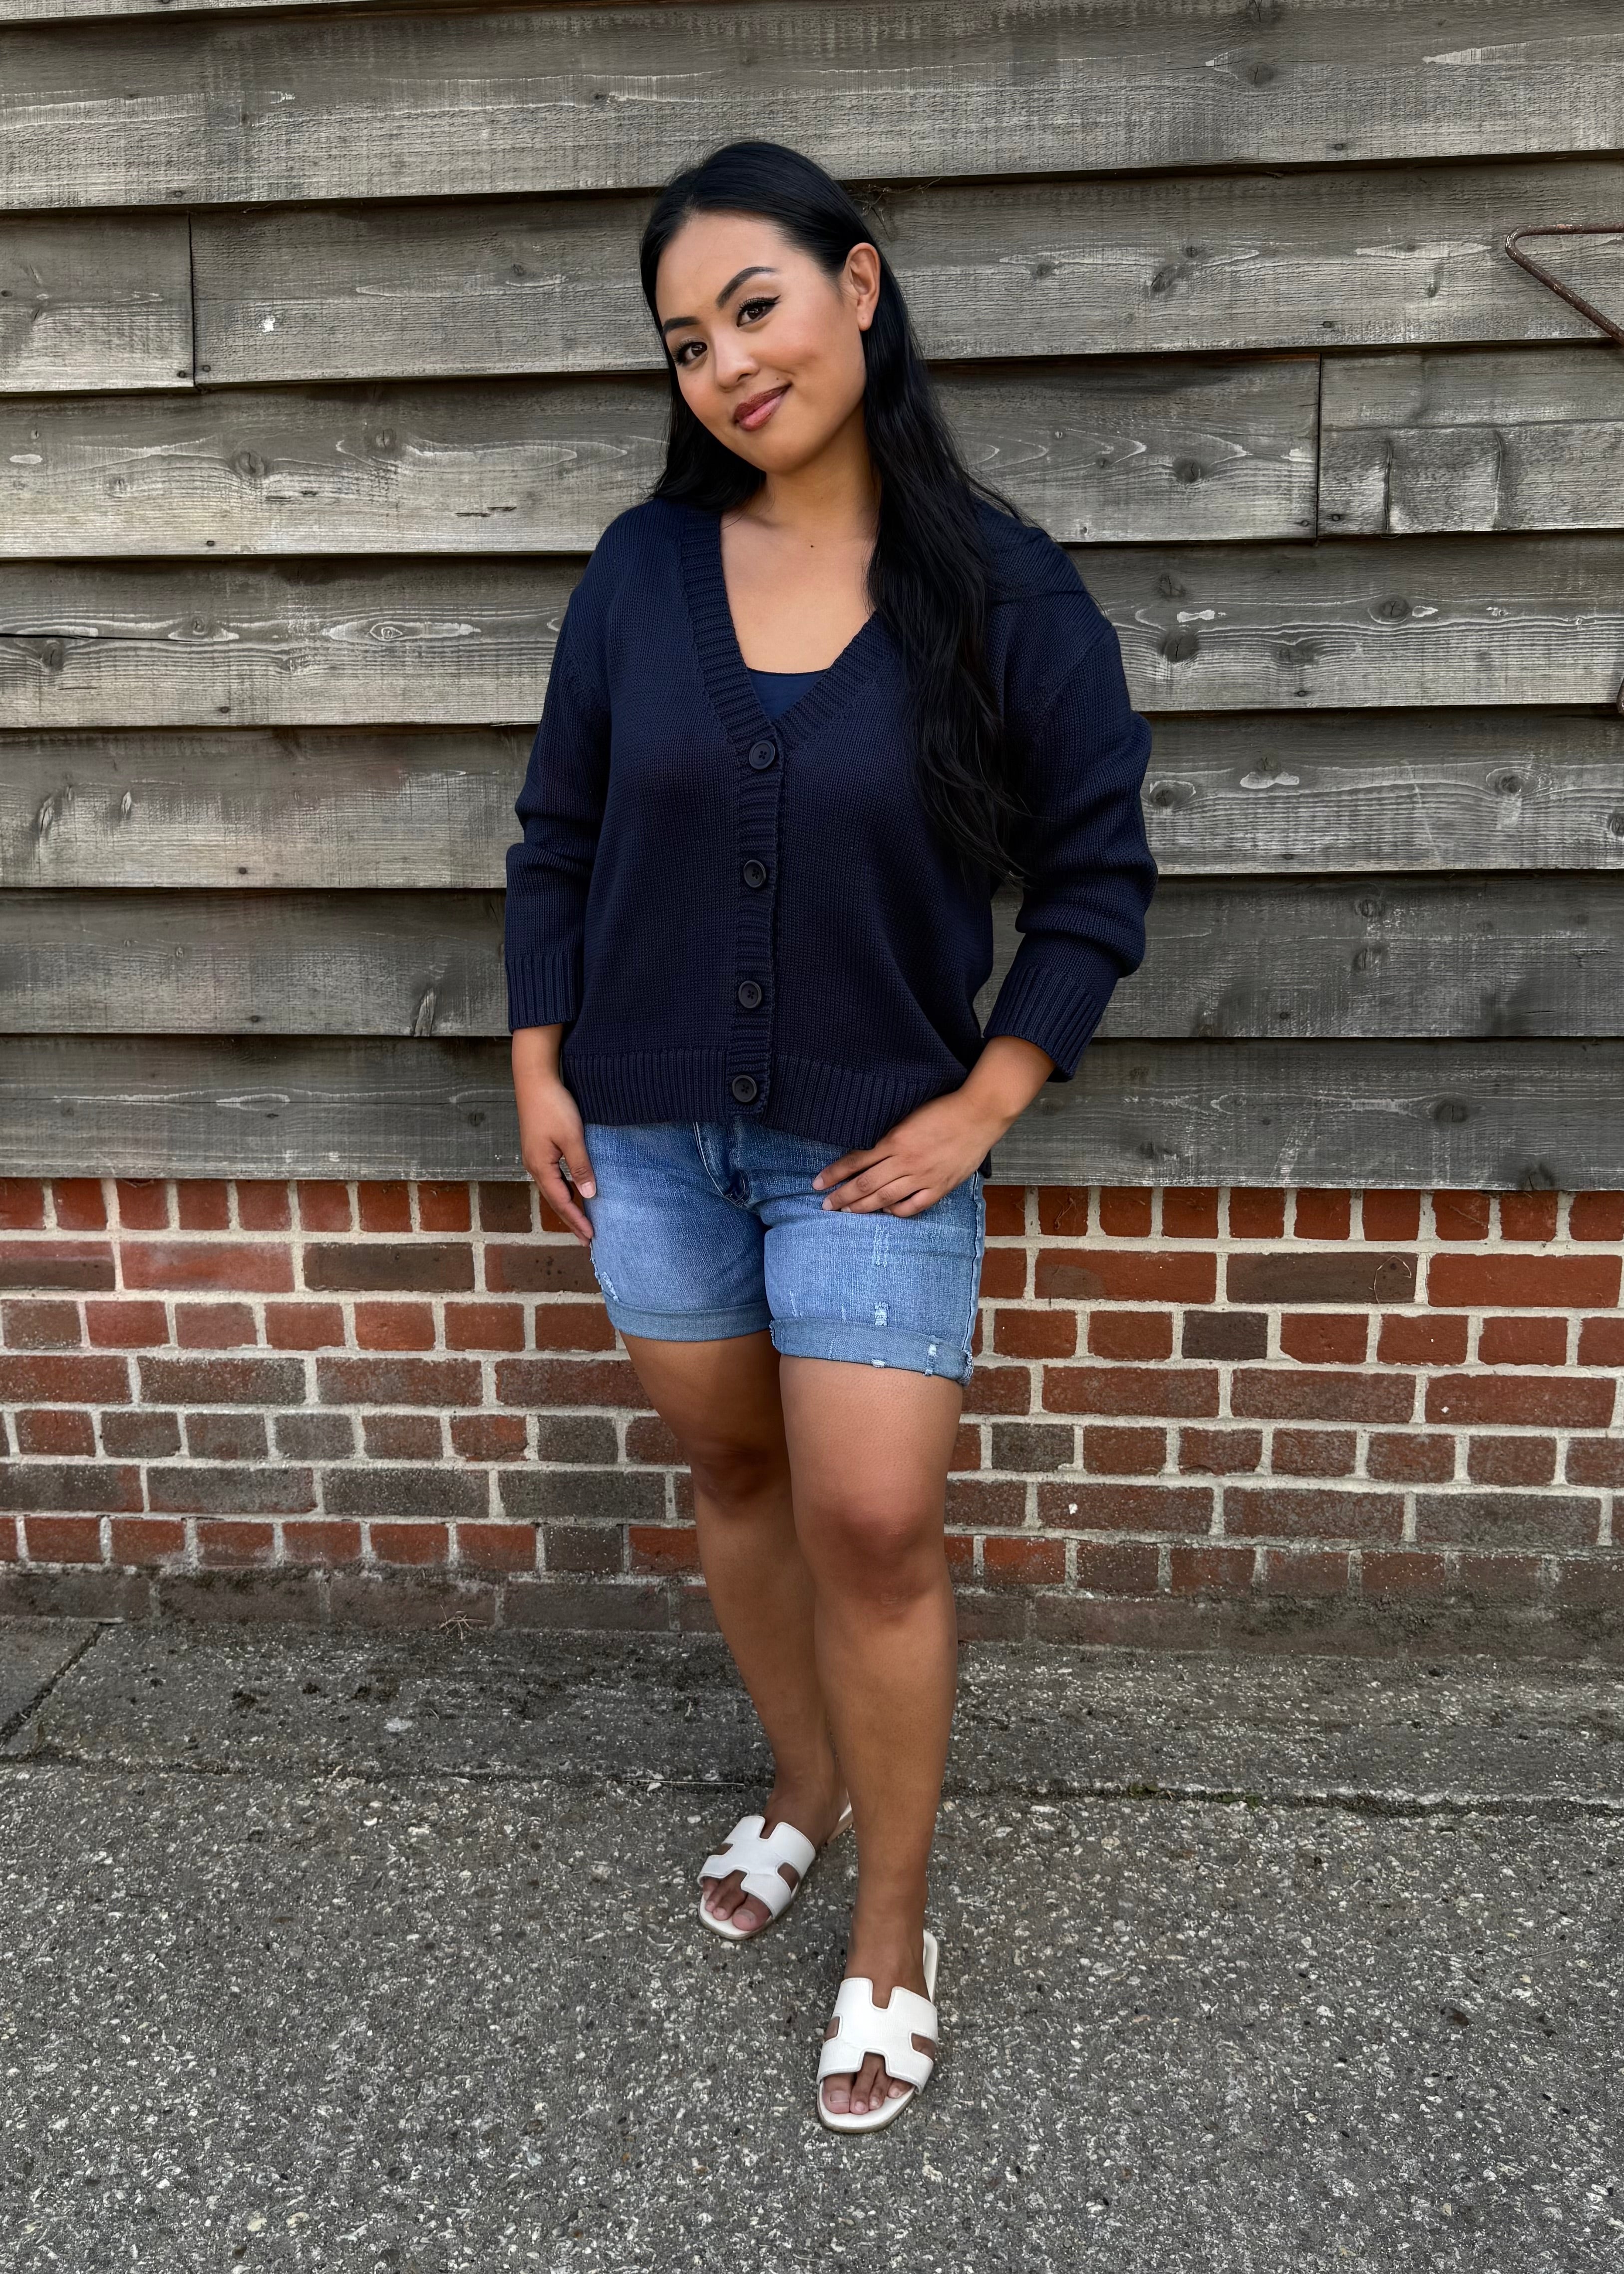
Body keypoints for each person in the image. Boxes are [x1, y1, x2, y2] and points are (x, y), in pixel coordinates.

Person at [505, 139, 1157, 2134]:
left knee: (872, 1516)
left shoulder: (1005, 595)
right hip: (646, 1134)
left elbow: (1096, 877)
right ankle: (799, 1780)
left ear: (859, 289)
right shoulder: (637, 575)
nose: (725, 363)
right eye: (686, 341)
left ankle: (891, 1918)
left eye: (755, 307)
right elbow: (558, 831)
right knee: (730, 1465)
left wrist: (984, 1095)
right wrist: (542, 1056)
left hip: (871, 1141)